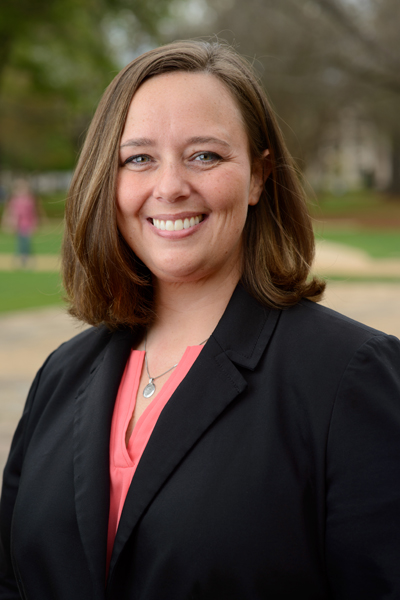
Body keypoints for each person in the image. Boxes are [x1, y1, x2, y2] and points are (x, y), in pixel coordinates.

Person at [1, 40, 400, 600]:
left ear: (259, 177)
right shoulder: (61, 375)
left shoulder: (349, 377)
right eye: (138, 158)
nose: (169, 187)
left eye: (205, 156)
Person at [2, 180, 38, 267]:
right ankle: (21, 258)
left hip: (27, 224)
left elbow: (32, 213)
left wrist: (34, 223)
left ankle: (27, 258)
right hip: (18, 225)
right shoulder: (14, 200)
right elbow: (10, 212)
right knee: (20, 242)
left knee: (26, 242)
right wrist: (8, 221)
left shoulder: (29, 200)